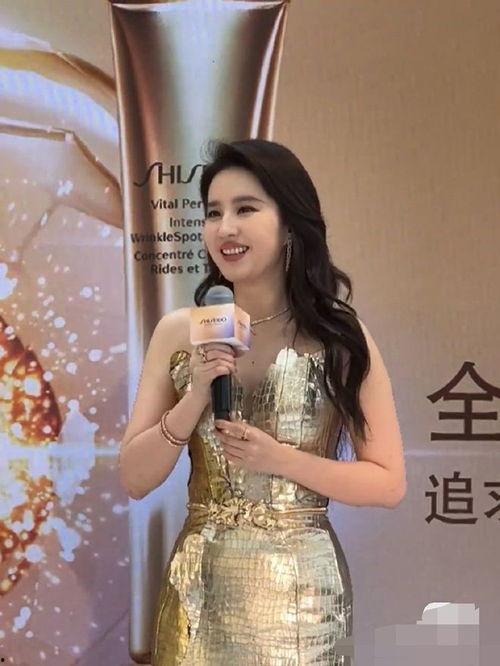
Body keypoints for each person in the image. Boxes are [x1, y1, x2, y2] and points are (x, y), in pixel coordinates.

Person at [119, 138, 407, 665]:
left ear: (290, 224)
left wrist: (281, 460)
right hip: (199, 588)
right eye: (213, 213)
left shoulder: (340, 339)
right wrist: (196, 395)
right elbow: (134, 478)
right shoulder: (180, 332)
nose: (225, 228)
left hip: (303, 596)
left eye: (245, 209)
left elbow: (388, 483)